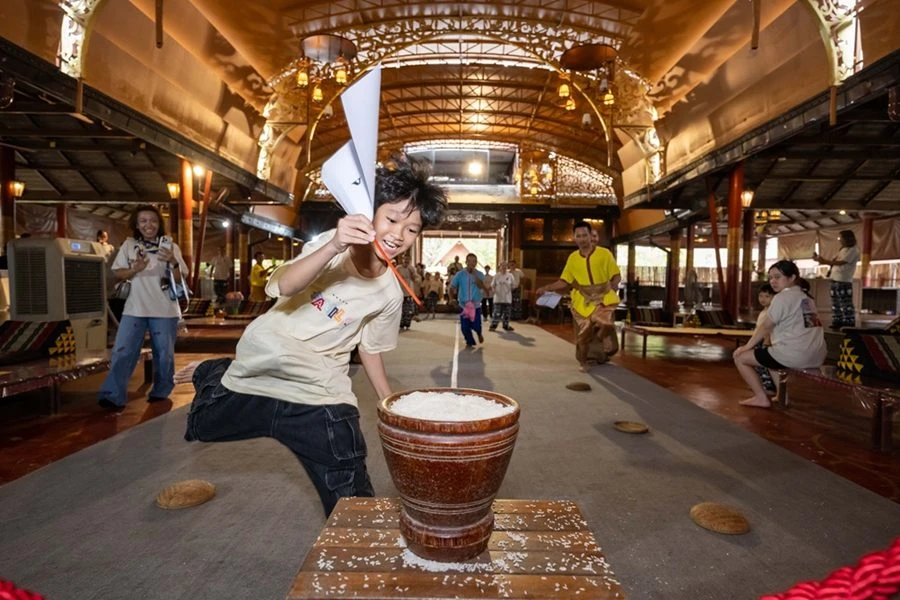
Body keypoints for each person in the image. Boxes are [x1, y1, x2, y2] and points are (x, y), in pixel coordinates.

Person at [184, 154, 448, 516]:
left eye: (412, 229)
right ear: (368, 214)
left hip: (319, 387)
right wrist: (334, 246)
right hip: (265, 364)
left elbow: (370, 349)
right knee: (202, 425)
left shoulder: (390, 294)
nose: (398, 235)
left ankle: (356, 539)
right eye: (391, 219)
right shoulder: (332, 246)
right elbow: (287, 286)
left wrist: (389, 404)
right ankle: (213, 373)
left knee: (350, 489)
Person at [98, 205, 188, 410]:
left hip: (165, 309)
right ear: (137, 225)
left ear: (159, 223)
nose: (149, 225)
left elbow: (180, 278)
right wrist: (134, 269)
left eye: (153, 221)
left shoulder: (170, 246)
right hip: (135, 308)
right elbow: (118, 273)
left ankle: (162, 389)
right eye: (143, 221)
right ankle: (113, 395)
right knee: (123, 350)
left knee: (163, 353)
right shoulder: (129, 245)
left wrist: (173, 261)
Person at [732, 260, 826, 408]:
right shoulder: (807, 298)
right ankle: (782, 395)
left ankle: (761, 398)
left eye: (777, 277)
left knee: (739, 357)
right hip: (817, 355)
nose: (773, 281)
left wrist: (746, 347)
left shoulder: (782, 297)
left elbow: (765, 327)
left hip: (795, 355)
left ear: (792, 277)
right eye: (770, 278)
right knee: (771, 357)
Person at [536, 221, 621, 371]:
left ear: (590, 236)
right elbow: (564, 281)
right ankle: (588, 358)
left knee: (605, 327)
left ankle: (603, 351)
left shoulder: (604, 254)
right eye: (578, 236)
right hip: (583, 300)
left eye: (584, 235)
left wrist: (613, 287)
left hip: (603, 299)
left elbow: (616, 275)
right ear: (574, 237)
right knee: (584, 332)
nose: (582, 239)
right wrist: (546, 288)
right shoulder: (573, 258)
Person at [813, 230, 859, 330]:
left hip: (844, 279)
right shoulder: (842, 250)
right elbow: (834, 262)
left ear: (847, 238)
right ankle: (838, 321)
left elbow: (842, 262)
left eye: (840, 238)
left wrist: (824, 261)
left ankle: (849, 322)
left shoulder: (853, 250)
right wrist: (820, 260)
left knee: (845, 302)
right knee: (836, 302)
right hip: (835, 278)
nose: (839, 240)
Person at [449, 253, 490, 349]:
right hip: (464, 306)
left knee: (476, 326)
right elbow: (452, 287)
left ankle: (479, 333)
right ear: (466, 262)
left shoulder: (479, 274)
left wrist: (475, 275)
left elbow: (482, 287)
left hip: (475, 306)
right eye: (470, 261)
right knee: (464, 327)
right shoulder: (460, 274)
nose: (472, 263)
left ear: (476, 263)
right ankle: (469, 341)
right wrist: (451, 298)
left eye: (474, 261)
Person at [753, 283, 777, 395]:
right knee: (759, 366)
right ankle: (764, 385)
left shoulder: (771, 312)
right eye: (761, 296)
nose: (763, 299)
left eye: (767, 296)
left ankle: (770, 387)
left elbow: (769, 329)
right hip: (759, 341)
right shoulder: (763, 311)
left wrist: (766, 342)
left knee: (765, 366)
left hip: (765, 342)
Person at [489, 261, 515, 332]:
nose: (504, 267)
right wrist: (494, 291)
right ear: (500, 267)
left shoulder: (510, 276)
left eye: (505, 266)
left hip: (507, 298)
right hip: (498, 298)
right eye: (502, 266)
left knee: (507, 313)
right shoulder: (496, 276)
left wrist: (510, 288)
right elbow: (492, 285)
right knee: (497, 313)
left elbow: (513, 285)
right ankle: (493, 325)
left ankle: (506, 325)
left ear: (507, 267)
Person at [395, 254, 416, 330]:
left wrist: (412, 273)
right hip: (400, 291)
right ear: (403, 259)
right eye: (405, 259)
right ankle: (400, 324)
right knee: (400, 309)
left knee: (408, 310)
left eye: (408, 259)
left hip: (408, 292)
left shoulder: (411, 268)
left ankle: (407, 324)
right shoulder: (398, 268)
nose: (406, 261)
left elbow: (414, 279)